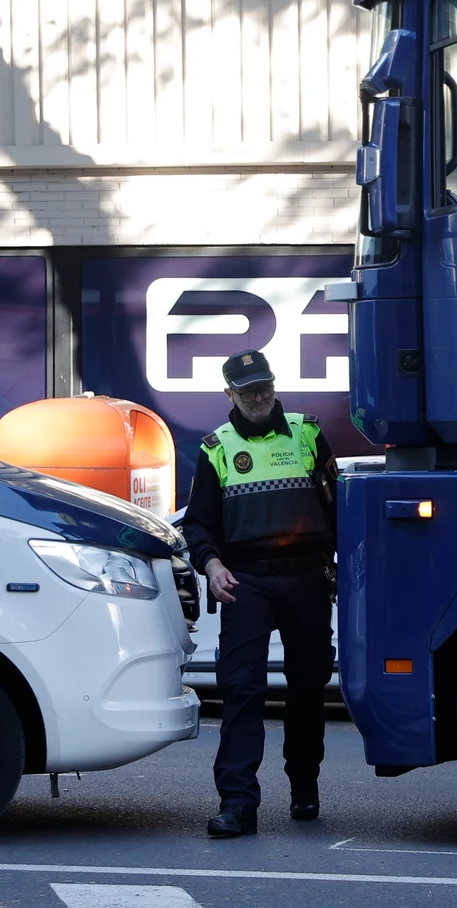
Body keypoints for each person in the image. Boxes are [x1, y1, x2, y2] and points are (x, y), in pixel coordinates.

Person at [180, 349, 339, 838]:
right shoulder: (217, 448)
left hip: (308, 577)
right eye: (247, 389)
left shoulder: (308, 432)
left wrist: (339, 565)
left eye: (264, 385)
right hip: (247, 582)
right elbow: (199, 524)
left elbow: (338, 508)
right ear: (229, 393)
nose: (258, 395)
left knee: (308, 687)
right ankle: (237, 803)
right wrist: (211, 564)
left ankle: (304, 787)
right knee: (242, 690)